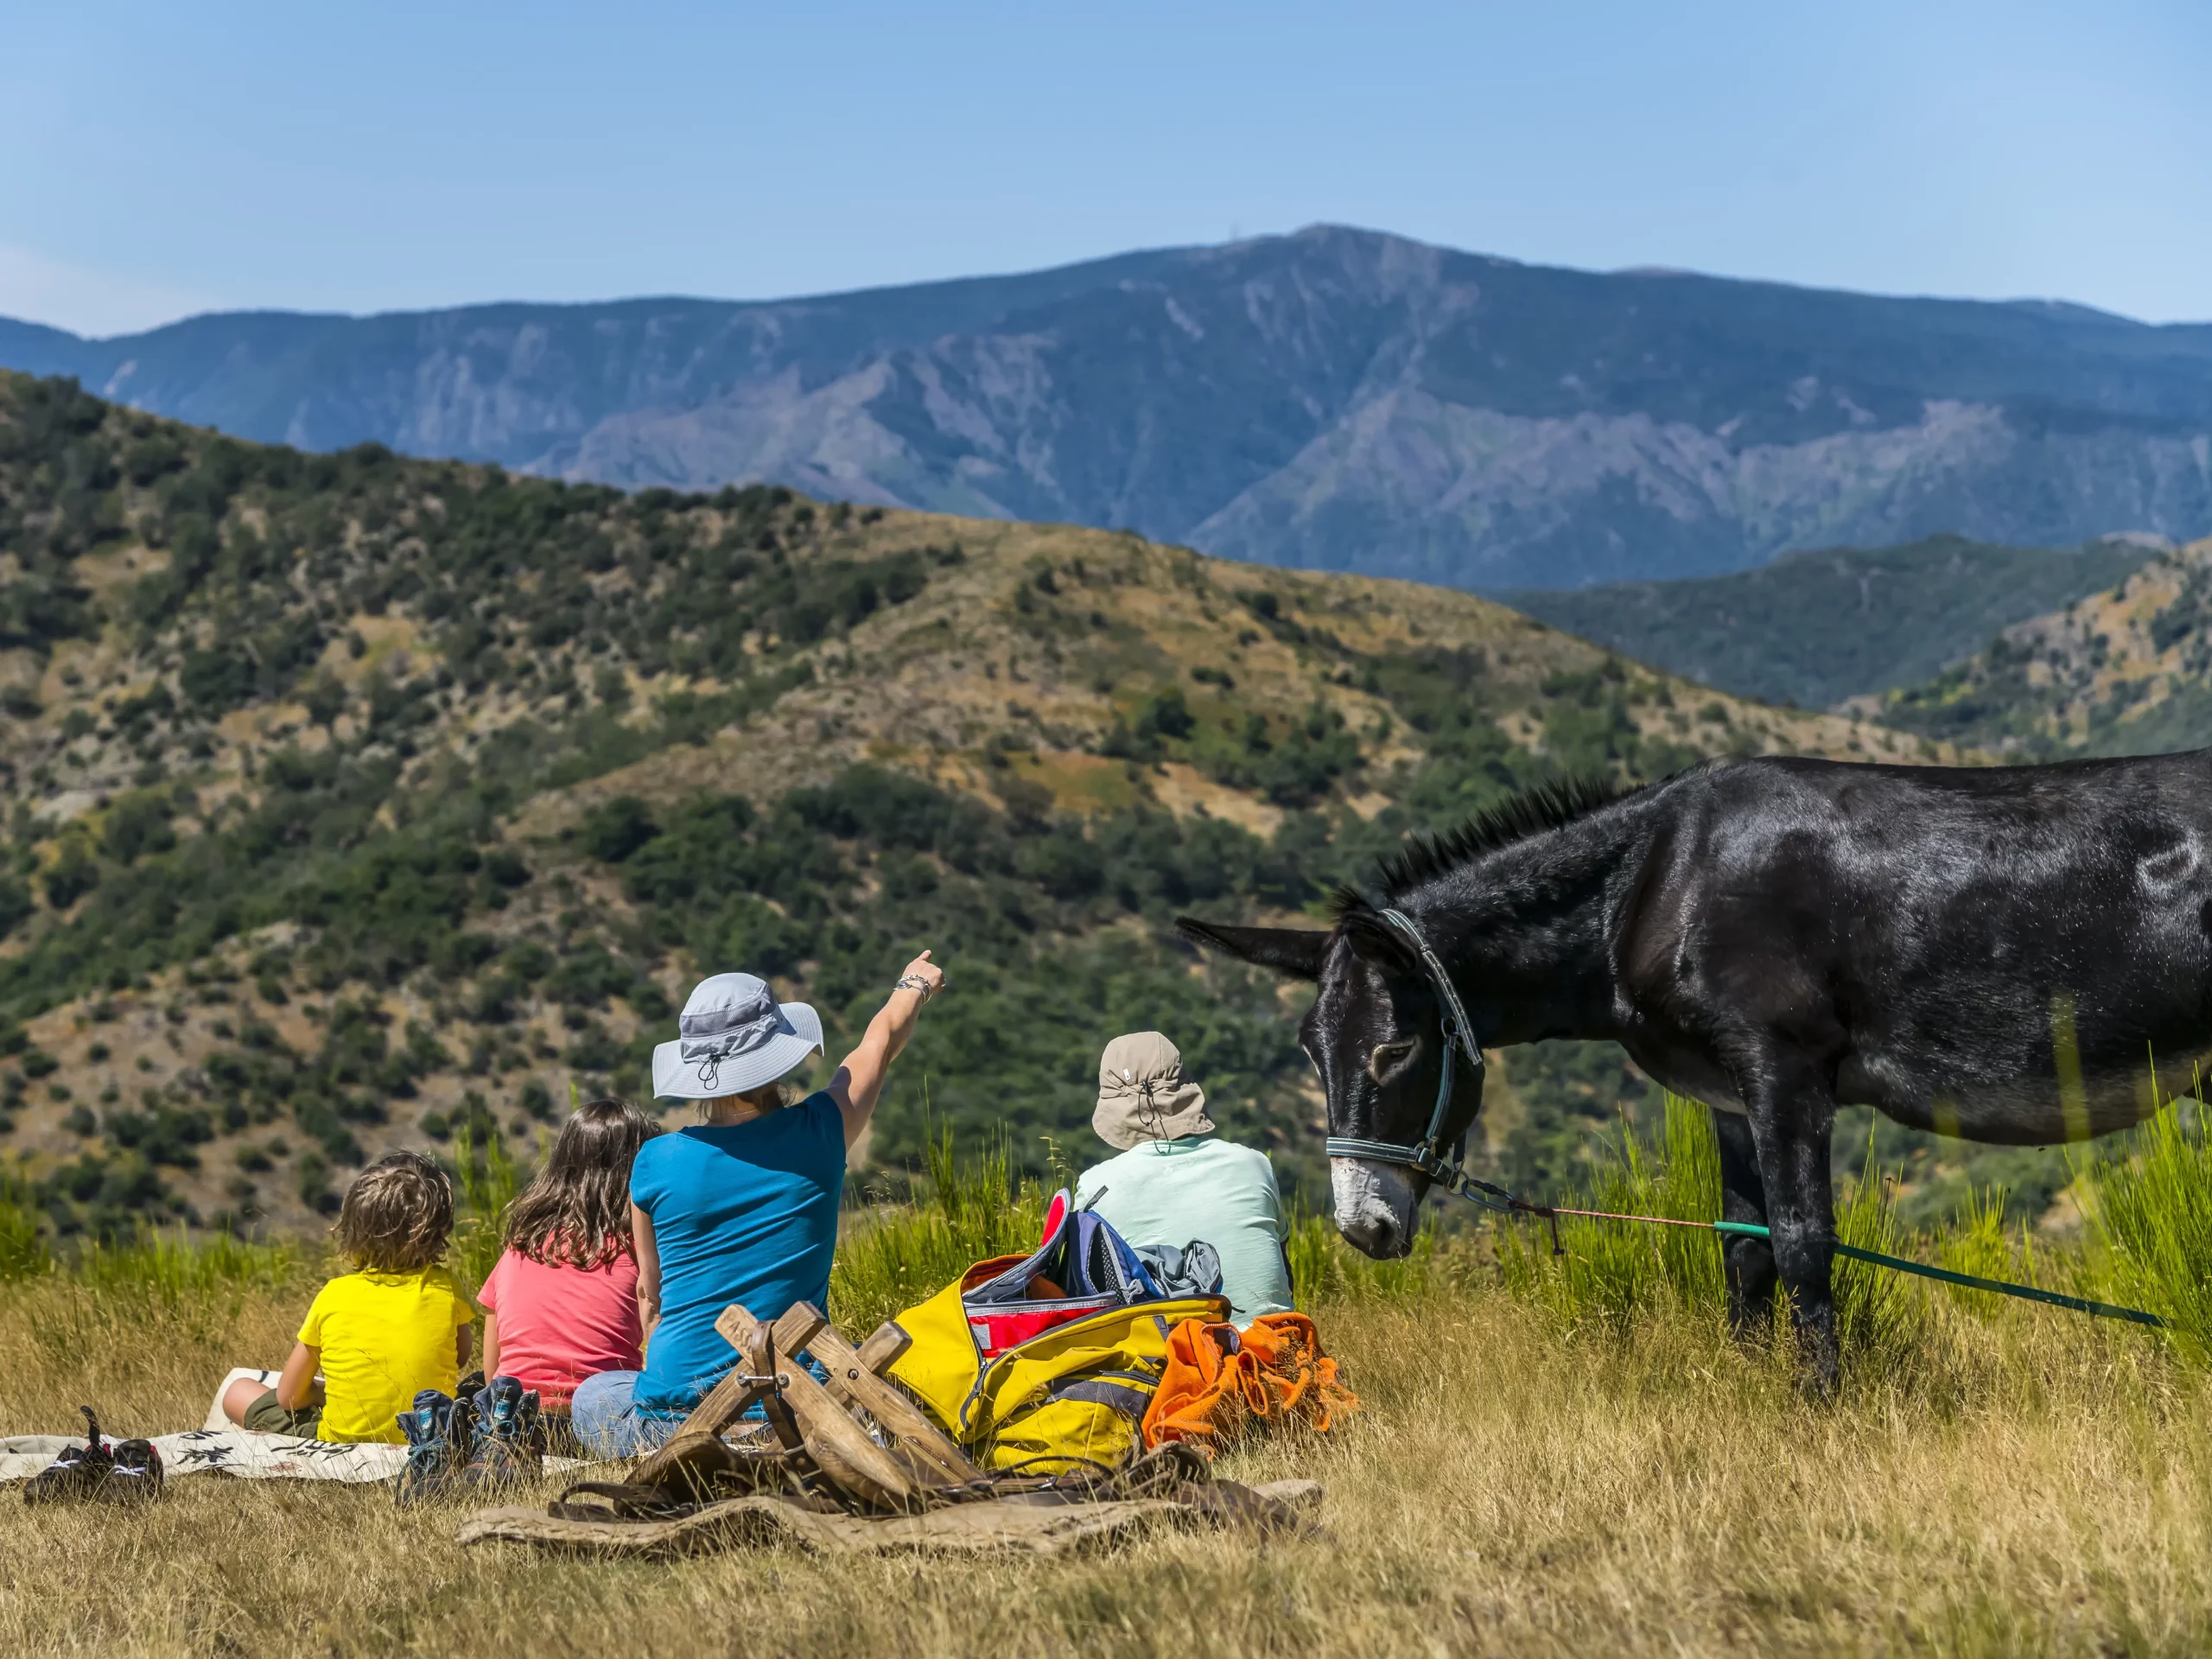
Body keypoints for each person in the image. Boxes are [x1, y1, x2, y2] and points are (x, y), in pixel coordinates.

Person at [570, 951, 944, 1456]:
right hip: (794, 1408)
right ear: (775, 1055)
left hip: (675, 1422)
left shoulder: (654, 1160)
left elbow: (649, 1295)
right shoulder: (821, 1130)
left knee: (594, 1395)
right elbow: (878, 1044)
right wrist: (914, 983)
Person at [220, 1151, 476, 1443]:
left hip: (339, 1440)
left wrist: (319, 1393)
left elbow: (289, 1396)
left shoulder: (334, 1294)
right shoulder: (445, 1286)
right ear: (438, 1230)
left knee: (239, 1389)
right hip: (430, 1431)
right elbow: (459, 1356)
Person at [1074, 1031, 1294, 1325]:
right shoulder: (1254, 1164)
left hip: (1170, 1362)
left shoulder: (1094, 1187)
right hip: (1276, 1356)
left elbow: (1085, 1300)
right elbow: (1284, 1279)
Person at [476, 1097, 662, 1418]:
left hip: (514, 1414)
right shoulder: (638, 1247)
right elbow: (662, 1342)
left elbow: (492, 1367)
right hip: (600, 1416)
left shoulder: (521, 1243)